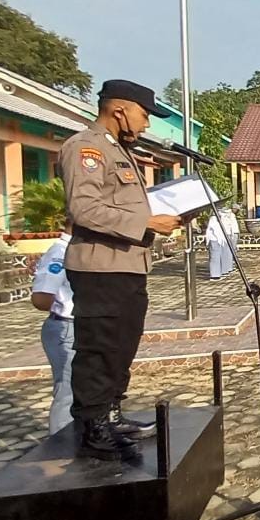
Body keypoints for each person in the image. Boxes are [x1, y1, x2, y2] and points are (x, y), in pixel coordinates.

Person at [60, 80, 182, 460]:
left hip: (126, 266)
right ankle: (93, 428)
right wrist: (148, 223)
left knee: (122, 344)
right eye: (144, 115)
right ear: (119, 109)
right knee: (100, 347)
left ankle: (112, 414)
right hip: (100, 268)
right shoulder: (86, 148)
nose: (147, 125)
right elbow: (85, 210)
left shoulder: (120, 152)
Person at [32, 224, 75, 436]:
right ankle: (61, 442)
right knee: (67, 390)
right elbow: (41, 298)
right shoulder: (60, 253)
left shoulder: (78, 250)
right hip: (66, 326)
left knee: (82, 387)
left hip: (80, 326)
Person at [205, 206, 238, 279]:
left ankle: (224, 271)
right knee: (215, 257)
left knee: (225, 254)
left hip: (222, 238)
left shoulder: (228, 217)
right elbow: (212, 231)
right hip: (215, 239)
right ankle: (215, 275)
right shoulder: (213, 219)